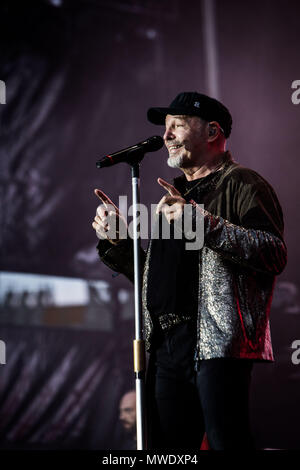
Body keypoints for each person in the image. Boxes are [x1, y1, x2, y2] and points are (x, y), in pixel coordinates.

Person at [92, 92, 287, 450]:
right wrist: (120, 242)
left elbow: (273, 253)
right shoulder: (174, 194)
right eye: (165, 128)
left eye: (177, 126)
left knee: (226, 441)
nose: (166, 136)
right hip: (167, 345)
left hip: (214, 341)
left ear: (213, 132)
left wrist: (201, 222)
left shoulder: (242, 183)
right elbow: (159, 281)